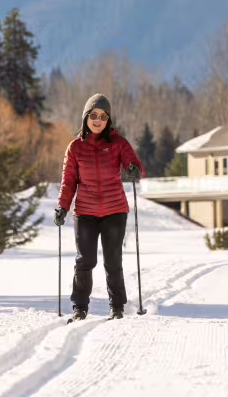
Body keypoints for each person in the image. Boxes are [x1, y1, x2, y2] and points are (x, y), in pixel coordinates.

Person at [54, 93, 144, 320]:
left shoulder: (118, 143)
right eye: (93, 115)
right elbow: (68, 182)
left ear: (108, 121)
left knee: (113, 260)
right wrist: (62, 207)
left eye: (103, 116)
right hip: (85, 212)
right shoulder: (75, 147)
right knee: (85, 261)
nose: (97, 120)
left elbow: (134, 165)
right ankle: (79, 307)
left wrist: (133, 169)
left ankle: (117, 307)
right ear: (86, 117)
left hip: (114, 211)